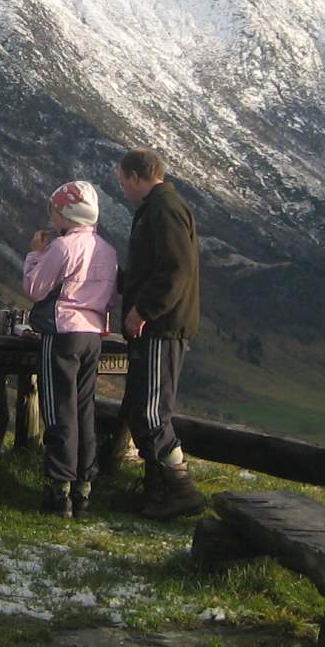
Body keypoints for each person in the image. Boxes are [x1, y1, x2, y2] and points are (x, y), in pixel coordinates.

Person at [115, 147, 205, 519]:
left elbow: (174, 269)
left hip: (162, 327)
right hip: (159, 325)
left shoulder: (163, 209)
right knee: (140, 407)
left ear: (136, 177)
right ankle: (157, 489)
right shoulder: (159, 208)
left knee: (151, 411)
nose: (122, 189)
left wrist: (142, 310)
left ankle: (180, 487)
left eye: (123, 182)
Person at [23, 180, 118, 519]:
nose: (52, 219)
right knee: (83, 409)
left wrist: (35, 253)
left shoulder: (61, 248)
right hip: (93, 334)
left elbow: (35, 289)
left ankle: (58, 489)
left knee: (58, 408)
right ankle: (83, 487)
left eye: (54, 212)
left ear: (66, 214)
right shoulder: (107, 250)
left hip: (62, 331)